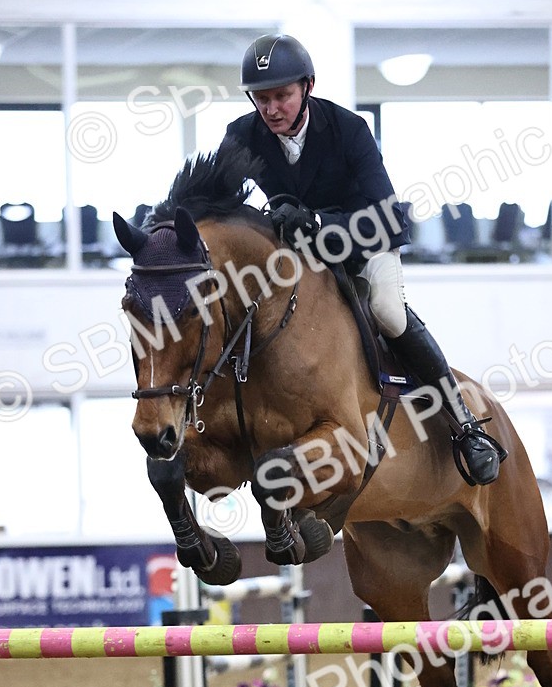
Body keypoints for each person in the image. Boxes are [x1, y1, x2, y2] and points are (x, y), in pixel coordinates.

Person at [216, 33, 505, 486]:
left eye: (282, 96)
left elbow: (388, 217)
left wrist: (316, 221)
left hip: (361, 247)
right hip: (297, 258)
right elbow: (221, 204)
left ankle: (464, 423)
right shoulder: (242, 135)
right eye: (262, 98)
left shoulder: (348, 129)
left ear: (307, 87)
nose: (271, 109)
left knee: (388, 311)